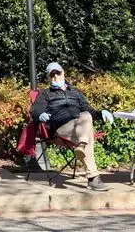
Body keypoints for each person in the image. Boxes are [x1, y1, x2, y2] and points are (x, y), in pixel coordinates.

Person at [30, 62, 114, 191]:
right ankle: (93, 178)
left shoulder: (75, 92)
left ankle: (82, 147)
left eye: (57, 73)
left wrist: (101, 112)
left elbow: (88, 111)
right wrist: (40, 114)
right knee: (88, 134)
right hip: (61, 128)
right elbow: (34, 111)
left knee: (86, 116)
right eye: (52, 74)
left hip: (79, 127)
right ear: (48, 77)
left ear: (63, 73)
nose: (55, 77)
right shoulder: (45, 94)